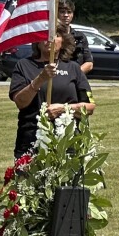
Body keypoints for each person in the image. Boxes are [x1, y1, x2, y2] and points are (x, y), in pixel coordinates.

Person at [9, 30, 94, 159]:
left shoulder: (73, 68)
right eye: (45, 35)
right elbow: (20, 102)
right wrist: (40, 79)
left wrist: (64, 109)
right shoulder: (24, 66)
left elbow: (89, 107)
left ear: (63, 41)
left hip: (68, 141)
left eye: (55, 35)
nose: (49, 39)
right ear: (37, 41)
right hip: (32, 138)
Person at [57, 0, 93, 75]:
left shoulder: (80, 37)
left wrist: (73, 75)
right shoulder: (51, 35)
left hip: (75, 78)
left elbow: (89, 63)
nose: (66, 15)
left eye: (69, 12)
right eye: (62, 12)